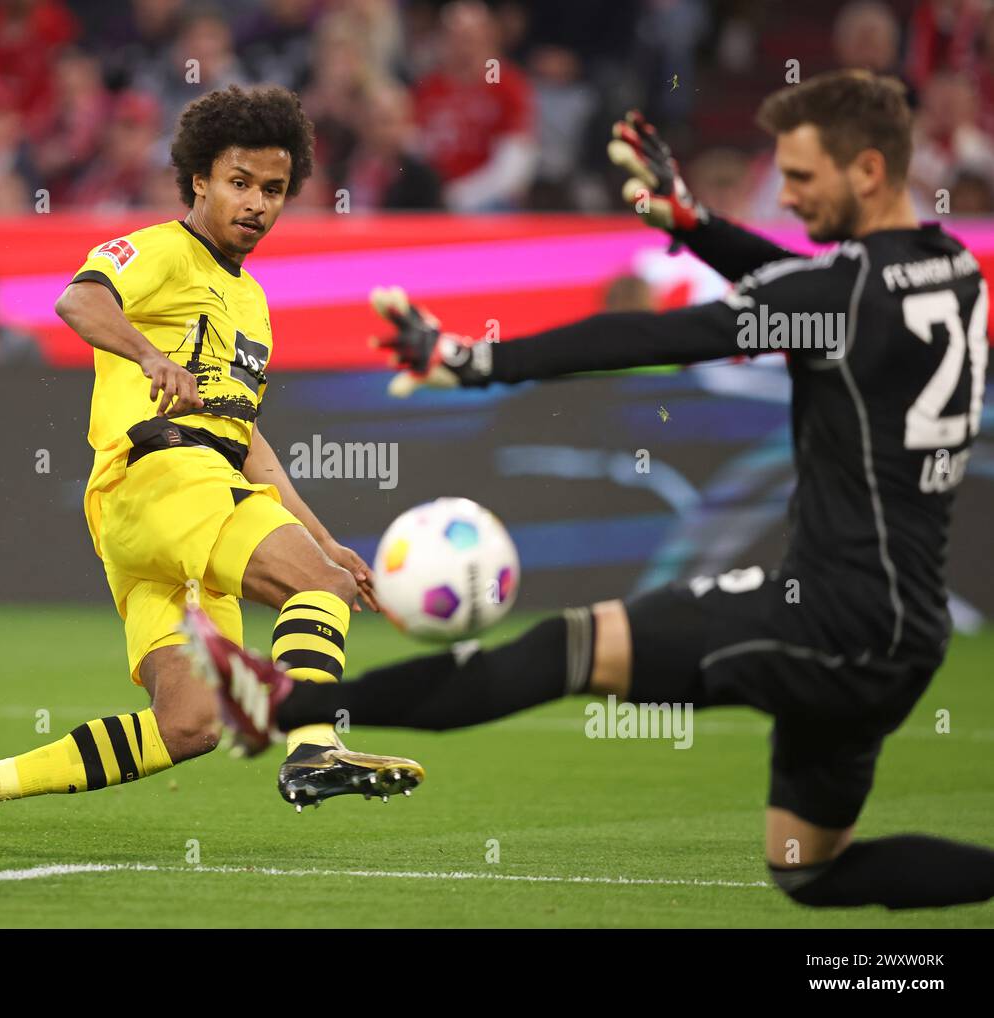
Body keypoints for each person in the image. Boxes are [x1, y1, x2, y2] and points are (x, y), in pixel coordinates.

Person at [189, 71, 994, 909]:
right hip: (902, 627)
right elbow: (806, 291)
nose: (785, 197)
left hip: (831, 617)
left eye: (801, 179)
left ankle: (287, 704)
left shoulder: (836, 294)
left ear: (866, 171)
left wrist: (476, 360)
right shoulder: (951, 269)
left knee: (560, 652)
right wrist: (695, 225)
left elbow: (658, 333)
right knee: (809, 870)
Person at [0, 84, 422, 852]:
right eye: (239, 183)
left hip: (171, 509)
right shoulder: (161, 250)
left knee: (190, 724)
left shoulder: (251, 304)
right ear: (199, 180)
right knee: (312, 595)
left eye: (274, 189)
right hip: (160, 479)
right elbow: (77, 302)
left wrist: (326, 543)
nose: (256, 203)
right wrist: (150, 353)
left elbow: (248, 444)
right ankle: (314, 748)